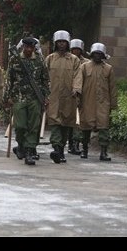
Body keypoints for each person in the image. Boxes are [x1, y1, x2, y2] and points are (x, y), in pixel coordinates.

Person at [4, 37, 50, 165]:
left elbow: (46, 80)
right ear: (23, 47)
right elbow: (9, 79)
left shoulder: (40, 60)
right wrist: (6, 98)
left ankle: (29, 152)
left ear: (34, 47)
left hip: (35, 98)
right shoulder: (15, 59)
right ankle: (20, 145)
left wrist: (46, 97)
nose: (29, 49)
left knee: (33, 126)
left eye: (31, 47)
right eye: (26, 47)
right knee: (20, 126)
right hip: (19, 97)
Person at [73, 43, 118, 161]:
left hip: (103, 102)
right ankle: (84, 150)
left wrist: (113, 105)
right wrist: (77, 97)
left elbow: (112, 88)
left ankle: (103, 152)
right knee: (85, 127)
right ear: (92, 54)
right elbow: (78, 82)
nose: (97, 56)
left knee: (104, 127)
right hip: (87, 101)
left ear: (103, 55)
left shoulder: (108, 69)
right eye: (95, 54)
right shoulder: (84, 67)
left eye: (100, 54)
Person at [44, 30, 81, 164]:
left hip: (69, 96)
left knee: (65, 123)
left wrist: (76, 89)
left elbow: (78, 75)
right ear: (55, 43)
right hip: (53, 95)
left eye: (64, 42)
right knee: (54, 122)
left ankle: (61, 148)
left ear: (68, 43)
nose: (61, 45)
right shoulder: (50, 58)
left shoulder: (74, 60)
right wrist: (45, 91)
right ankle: (56, 148)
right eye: (59, 42)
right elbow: (44, 76)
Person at [67, 38, 88, 154]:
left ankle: (76, 144)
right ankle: (70, 143)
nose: (75, 52)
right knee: (70, 120)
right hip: (71, 94)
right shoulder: (68, 60)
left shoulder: (86, 63)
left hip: (84, 94)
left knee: (80, 122)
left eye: (78, 50)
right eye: (74, 49)